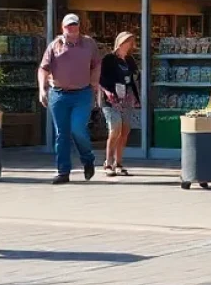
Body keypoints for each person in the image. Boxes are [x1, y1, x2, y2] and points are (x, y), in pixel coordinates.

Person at [39, 13, 101, 185]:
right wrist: (42, 89)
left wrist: (95, 82)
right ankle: (63, 171)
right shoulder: (54, 46)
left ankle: (87, 158)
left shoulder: (89, 43)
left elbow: (97, 63)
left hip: (82, 93)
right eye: (68, 26)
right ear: (62, 28)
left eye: (74, 25)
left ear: (79, 26)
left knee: (77, 129)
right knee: (62, 134)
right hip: (58, 94)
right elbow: (43, 68)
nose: (72, 29)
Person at [99, 31, 140, 177]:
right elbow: (99, 78)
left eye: (131, 42)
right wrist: (106, 92)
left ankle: (119, 162)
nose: (129, 45)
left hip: (126, 98)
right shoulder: (108, 59)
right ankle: (108, 162)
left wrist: (134, 96)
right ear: (120, 42)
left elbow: (134, 78)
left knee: (125, 131)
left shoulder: (129, 60)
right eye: (127, 41)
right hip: (111, 99)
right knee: (115, 128)